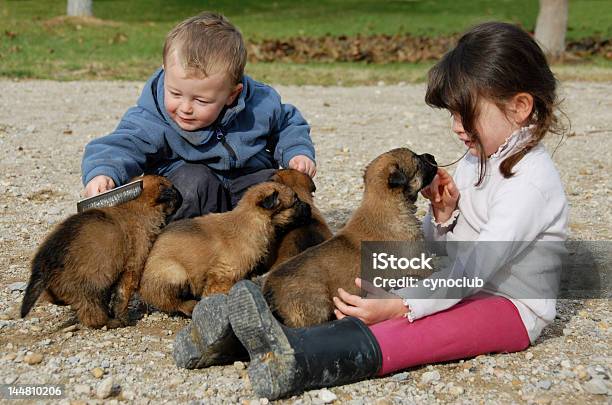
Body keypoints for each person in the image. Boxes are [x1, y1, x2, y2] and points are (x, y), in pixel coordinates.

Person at [179, 21, 569, 399]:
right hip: (459, 281)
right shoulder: (479, 156)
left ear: (519, 107)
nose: (455, 127)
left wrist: (402, 304)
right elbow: (433, 253)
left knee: (408, 329)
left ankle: (299, 358)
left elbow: (477, 268)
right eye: (451, 115)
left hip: (508, 305)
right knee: (350, 270)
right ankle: (237, 332)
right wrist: (444, 218)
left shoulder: (530, 183)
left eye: (463, 115)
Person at [81, 12, 316, 219]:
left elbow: (288, 123)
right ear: (165, 73)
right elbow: (124, 143)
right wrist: (103, 172)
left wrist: (297, 152)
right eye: (175, 93)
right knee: (194, 182)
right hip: (191, 193)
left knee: (285, 188)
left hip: (244, 182)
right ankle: (185, 248)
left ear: (232, 95)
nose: (185, 107)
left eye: (201, 100)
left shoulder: (261, 103)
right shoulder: (152, 115)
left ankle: (269, 247)